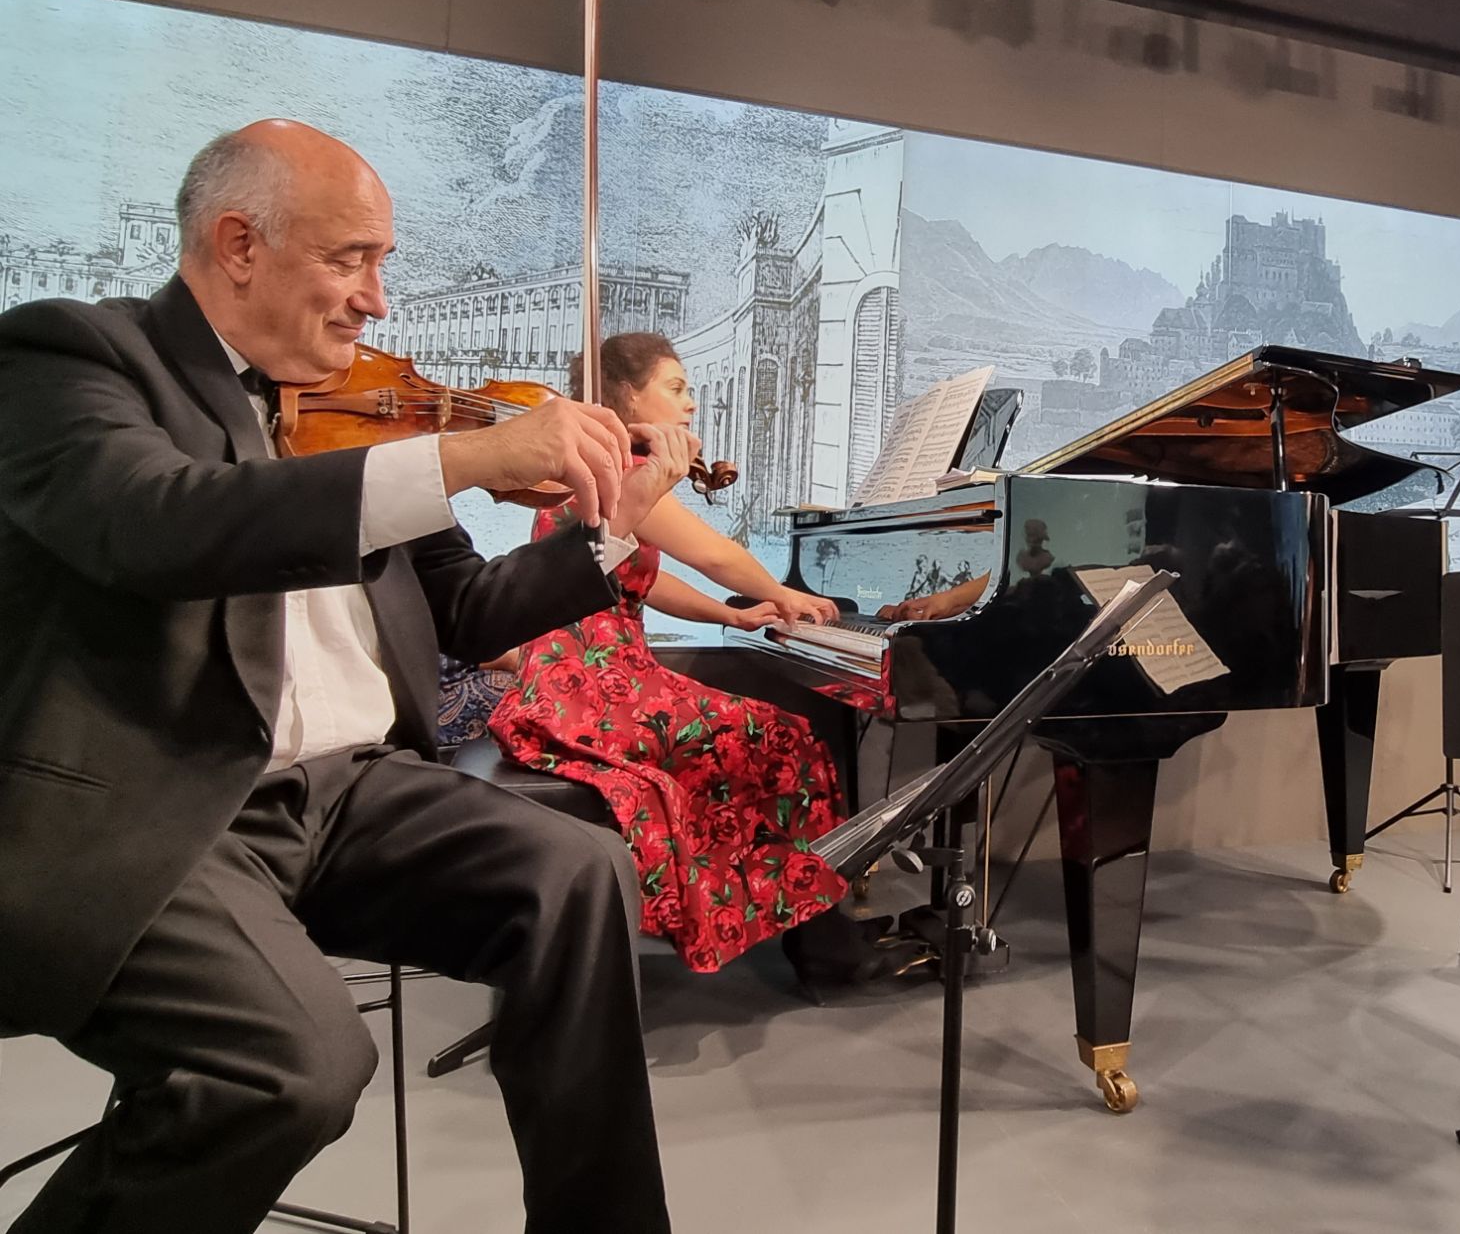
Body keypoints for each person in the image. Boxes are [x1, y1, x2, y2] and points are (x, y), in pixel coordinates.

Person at [0, 120, 690, 1234]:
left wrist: (610, 531)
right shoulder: (72, 355)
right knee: (298, 1066)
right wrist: (463, 457)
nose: (377, 300)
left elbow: (467, 611)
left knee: (578, 869)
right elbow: (149, 521)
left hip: (347, 793)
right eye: (349, 259)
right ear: (239, 245)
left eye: (383, 263)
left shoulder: (351, 411)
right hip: (167, 803)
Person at [485, 333, 889, 978]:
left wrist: (732, 614)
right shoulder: (621, 473)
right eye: (676, 388)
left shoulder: (593, 468)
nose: (691, 404)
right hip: (596, 689)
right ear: (626, 397)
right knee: (787, 737)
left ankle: (798, 920)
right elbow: (713, 555)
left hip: (589, 681)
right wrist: (783, 594)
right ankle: (820, 943)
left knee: (769, 733)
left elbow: (644, 580)